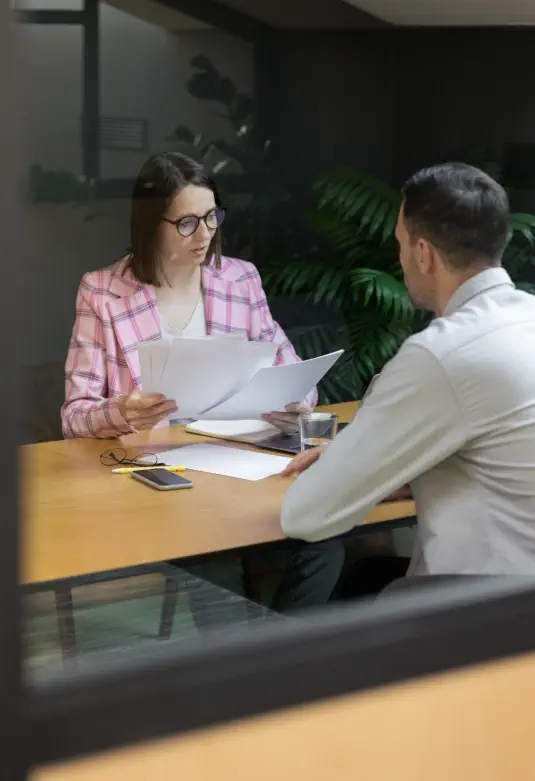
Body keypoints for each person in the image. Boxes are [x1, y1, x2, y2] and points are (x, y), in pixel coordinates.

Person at [61, 151, 344, 617]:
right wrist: (121, 412)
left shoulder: (240, 278)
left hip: (242, 467)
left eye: (212, 217)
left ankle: (268, 663)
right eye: (188, 223)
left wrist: (295, 400)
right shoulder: (103, 292)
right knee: (217, 562)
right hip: (162, 477)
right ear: (153, 223)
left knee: (323, 547)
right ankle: (251, 674)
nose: (206, 233)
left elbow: (289, 367)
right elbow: (74, 417)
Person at [281, 161, 535, 590]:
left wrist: (357, 465)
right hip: (513, 592)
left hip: (484, 617)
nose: (399, 260)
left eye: (400, 244)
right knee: (364, 579)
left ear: (423, 254)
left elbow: (305, 515)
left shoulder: (443, 353)